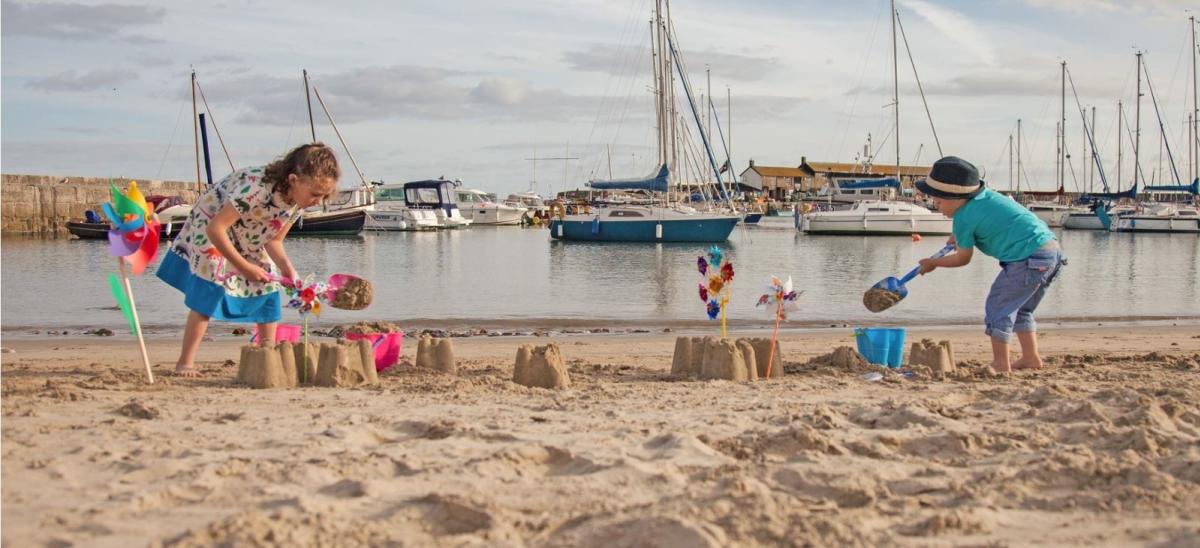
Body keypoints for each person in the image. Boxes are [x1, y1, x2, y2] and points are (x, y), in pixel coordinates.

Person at [156, 143, 340, 376]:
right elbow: (216, 228)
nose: (318, 200)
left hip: (249, 234)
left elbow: (273, 241)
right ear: (294, 179)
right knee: (208, 291)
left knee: (269, 292)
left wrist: (288, 269)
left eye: (323, 196)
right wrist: (243, 267)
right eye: (315, 194)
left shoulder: (297, 203)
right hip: (212, 226)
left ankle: (267, 356)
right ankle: (185, 362)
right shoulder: (257, 188)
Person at [915, 156, 1065, 374]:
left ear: (956, 198)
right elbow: (994, 223)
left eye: (939, 202)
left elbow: (963, 259)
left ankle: (1000, 363)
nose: (937, 208)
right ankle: (1031, 357)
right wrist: (959, 238)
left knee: (998, 307)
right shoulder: (986, 198)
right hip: (1051, 252)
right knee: (1022, 309)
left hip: (1027, 257)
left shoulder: (963, 217)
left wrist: (934, 263)